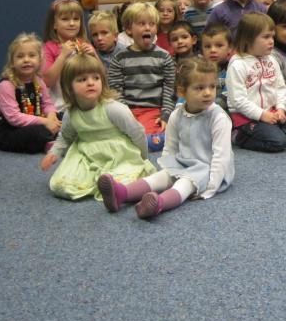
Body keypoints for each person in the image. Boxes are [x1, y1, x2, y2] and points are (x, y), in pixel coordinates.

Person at [97, 57, 234, 219]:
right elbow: (170, 147)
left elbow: (221, 156)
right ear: (182, 92)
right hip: (184, 160)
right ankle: (122, 194)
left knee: (185, 183)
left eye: (212, 87)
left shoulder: (218, 118)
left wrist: (210, 188)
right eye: (199, 88)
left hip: (208, 167)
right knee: (160, 177)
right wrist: (169, 169)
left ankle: (158, 204)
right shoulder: (177, 115)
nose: (208, 93)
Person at [40, 54, 156, 201]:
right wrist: (53, 153)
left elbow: (137, 133)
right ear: (69, 86)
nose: (90, 83)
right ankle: (100, 183)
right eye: (82, 79)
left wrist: (143, 159)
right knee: (59, 185)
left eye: (96, 78)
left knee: (128, 179)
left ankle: (113, 186)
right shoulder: (71, 113)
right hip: (87, 157)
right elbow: (65, 137)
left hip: (118, 156)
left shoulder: (114, 109)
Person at [226, 12, 286, 152]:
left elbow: (280, 88)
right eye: (266, 37)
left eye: (272, 36)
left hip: (271, 112)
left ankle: (269, 131)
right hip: (247, 118)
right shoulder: (238, 64)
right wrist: (262, 115)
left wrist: (280, 109)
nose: (271, 41)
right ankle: (238, 136)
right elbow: (239, 101)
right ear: (248, 39)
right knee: (278, 142)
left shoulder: (271, 60)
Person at [108, 2, 176, 152]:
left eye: (152, 24)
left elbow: (169, 90)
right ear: (128, 29)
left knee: (144, 137)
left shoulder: (164, 57)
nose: (147, 28)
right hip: (127, 111)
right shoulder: (119, 59)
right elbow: (115, 91)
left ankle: (155, 140)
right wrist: (124, 116)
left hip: (153, 111)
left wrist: (165, 115)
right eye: (141, 24)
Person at [0, 33, 60, 153]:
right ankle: (52, 141)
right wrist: (46, 121)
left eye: (32, 55)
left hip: (38, 121)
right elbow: (14, 118)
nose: (26, 60)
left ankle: (54, 138)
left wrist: (52, 116)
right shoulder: (6, 86)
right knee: (36, 133)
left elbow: (47, 104)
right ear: (12, 62)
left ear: (40, 60)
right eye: (20, 56)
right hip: (11, 131)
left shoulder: (38, 81)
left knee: (64, 117)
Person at [41, 0, 97, 113]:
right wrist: (62, 56)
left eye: (76, 19)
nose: (72, 23)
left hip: (85, 101)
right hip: (61, 105)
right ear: (54, 24)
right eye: (65, 19)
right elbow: (48, 81)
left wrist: (94, 56)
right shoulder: (48, 47)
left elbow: (101, 75)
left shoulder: (84, 44)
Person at [201, 23, 233, 111]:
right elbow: (187, 93)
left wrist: (205, 109)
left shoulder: (232, 69)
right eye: (207, 46)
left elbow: (228, 95)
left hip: (222, 115)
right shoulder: (197, 71)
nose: (212, 50)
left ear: (230, 48)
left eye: (219, 45)